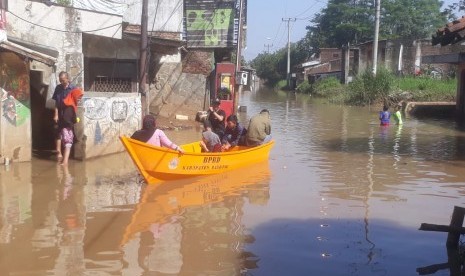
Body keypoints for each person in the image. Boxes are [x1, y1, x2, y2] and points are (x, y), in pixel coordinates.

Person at [52, 71, 75, 161]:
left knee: (67, 134)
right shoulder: (58, 88)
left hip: (69, 114)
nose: (61, 82)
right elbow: (56, 103)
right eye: (60, 80)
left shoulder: (73, 88)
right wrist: (56, 114)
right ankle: (59, 152)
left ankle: (67, 156)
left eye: (63, 80)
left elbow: (78, 99)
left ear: (67, 79)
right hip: (60, 113)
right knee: (57, 132)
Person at [59, 87, 83, 166]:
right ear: (74, 95)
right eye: (79, 96)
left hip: (65, 127)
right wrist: (75, 120)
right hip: (67, 128)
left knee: (67, 144)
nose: (80, 99)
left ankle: (63, 161)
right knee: (68, 145)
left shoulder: (69, 105)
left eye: (81, 97)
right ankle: (65, 163)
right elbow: (67, 118)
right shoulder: (70, 106)